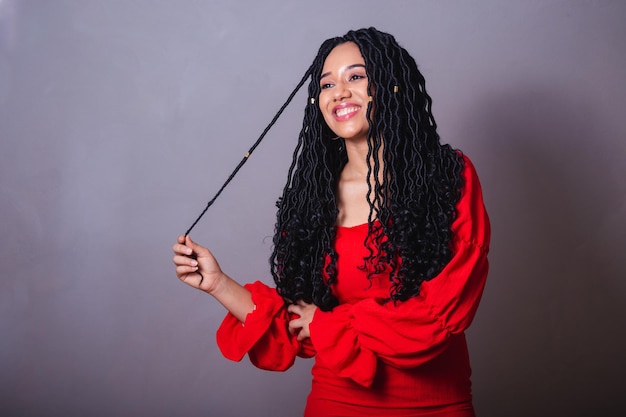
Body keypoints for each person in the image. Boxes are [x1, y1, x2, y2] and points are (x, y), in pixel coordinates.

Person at [173, 27, 490, 417]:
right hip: (336, 401)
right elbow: (298, 327)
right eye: (326, 84)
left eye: (355, 77)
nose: (339, 92)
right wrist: (218, 284)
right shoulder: (313, 199)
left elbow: (445, 312)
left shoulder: (446, 177)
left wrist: (329, 324)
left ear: (389, 86)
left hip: (436, 403)